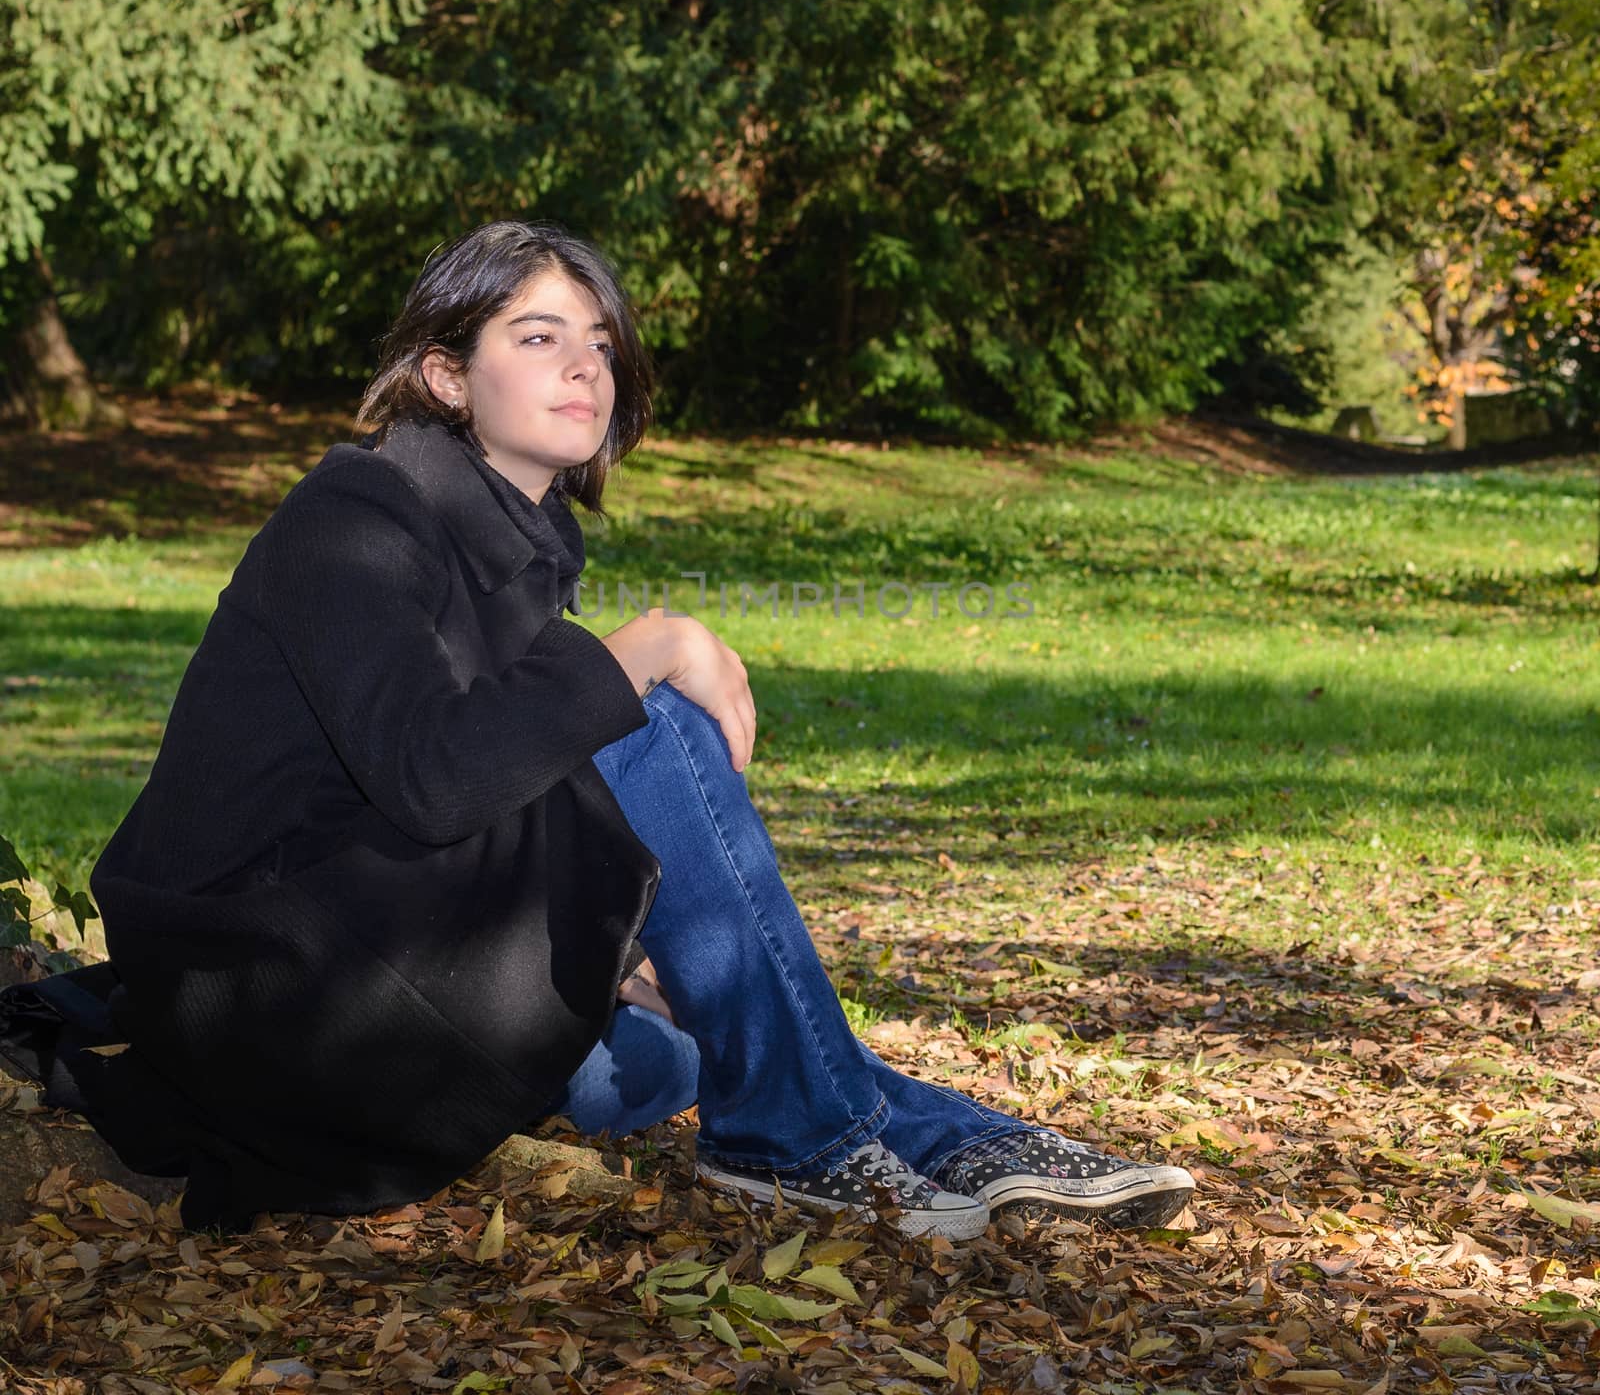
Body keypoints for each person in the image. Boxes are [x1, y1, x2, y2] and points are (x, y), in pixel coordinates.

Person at [0, 221, 1194, 1239]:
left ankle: (935, 1134)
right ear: (445, 376)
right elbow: (429, 779)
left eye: (599, 342)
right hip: (272, 990)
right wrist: (652, 641)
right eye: (537, 338)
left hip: (393, 960)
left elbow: (490, 792)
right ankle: (815, 1138)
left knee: (669, 1059)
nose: (587, 368)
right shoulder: (355, 515)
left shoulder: (518, 544)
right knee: (649, 712)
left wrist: (628, 953)